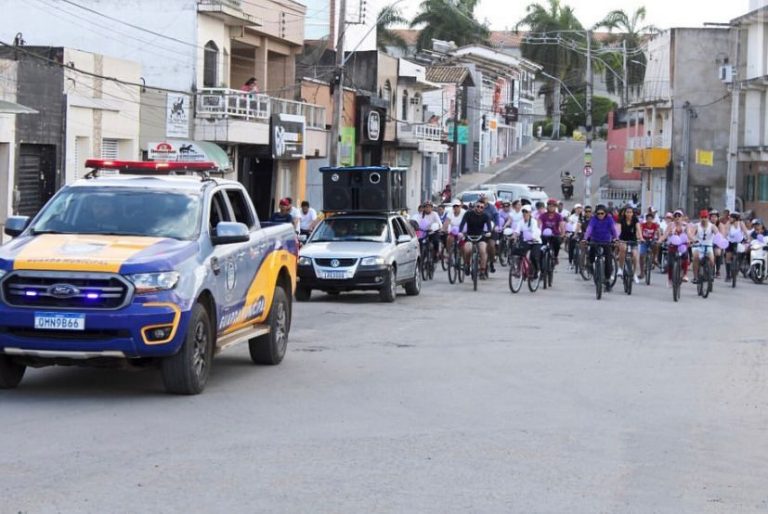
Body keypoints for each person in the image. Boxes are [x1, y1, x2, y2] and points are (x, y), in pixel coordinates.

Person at [583, 204, 618, 290]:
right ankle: (590, 265)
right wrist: (585, 239)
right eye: (598, 213)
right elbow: (589, 229)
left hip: (606, 241)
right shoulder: (593, 219)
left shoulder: (609, 219)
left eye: (602, 213)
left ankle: (607, 279)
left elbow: (614, 229)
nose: (600, 215)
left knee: (608, 261)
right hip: (595, 240)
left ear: (605, 213)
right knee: (591, 255)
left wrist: (616, 238)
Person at [459, 199, 493, 278]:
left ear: (483, 208)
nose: (479, 208)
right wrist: (460, 232)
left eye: (481, 207)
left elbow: (489, 227)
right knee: (467, 249)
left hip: (481, 237)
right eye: (478, 206)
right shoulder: (468, 214)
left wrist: (489, 232)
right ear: (474, 206)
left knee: (483, 250)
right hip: (469, 236)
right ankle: (467, 264)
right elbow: (462, 224)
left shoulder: (485, 216)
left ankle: (482, 270)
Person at [660, 209, 690, 284]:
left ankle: (685, 274)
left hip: (682, 245)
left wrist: (691, 240)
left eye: (679, 216)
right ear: (673, 217)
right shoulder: (670, 225)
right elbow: (665, 235)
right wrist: (659, 240)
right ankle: (670, 279)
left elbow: (689, 234)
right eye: (675, 216)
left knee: (685, 256)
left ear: (682, 217)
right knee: (670, 263)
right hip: (672, 245)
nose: (677, 217)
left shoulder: (685, 225)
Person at [689, 209, 717, 284]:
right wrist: (692, 239)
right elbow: (691, 234)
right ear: (700, 218)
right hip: (697, 245)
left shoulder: (712, 226)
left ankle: (711, 274)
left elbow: (717, 234)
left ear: (708, 218)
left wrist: (720, 240)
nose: (704, 219)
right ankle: (695, 277)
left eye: (705, 217)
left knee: (712, 260)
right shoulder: (696, 226)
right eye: (702, 217)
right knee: (695, 257)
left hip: (708, 246)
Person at [514, 205, 543, 278]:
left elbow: (534, 231)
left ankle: (537, 270)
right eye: (523, 212)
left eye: (526, 212)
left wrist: (532, 237)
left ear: (530, 213)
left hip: (535, 242)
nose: (524, 213)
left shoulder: (533, 222)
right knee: (519, 254)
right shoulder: (521, 222)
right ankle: (518, 270)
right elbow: (517, 231)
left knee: (533, 256)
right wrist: (514, 236)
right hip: (526, 241)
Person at [617, 204, 642, 283]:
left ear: (632, 213)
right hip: (623, 240)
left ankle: (634, 274)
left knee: (635, 255)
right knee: (623, 249)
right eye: (627, 212)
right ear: (625, 213)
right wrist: (617, 238)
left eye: (630, 212)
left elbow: (638, 229)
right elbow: (618, 230)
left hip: (633, 240)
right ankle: (620, 268)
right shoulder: (621, 219)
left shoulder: (635, 220)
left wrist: (641, 238)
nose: (629, 214)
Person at [721, 211, 748, 280]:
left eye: (731, 217)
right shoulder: (728, 224)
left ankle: (740, 265)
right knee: (728, 257)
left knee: (742, 252)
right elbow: (725, 232)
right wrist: (724, 239)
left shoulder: (741, 223)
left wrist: (748, 238)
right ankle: (728, 275)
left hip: (739, 242)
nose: (729, 218)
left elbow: (745, 231)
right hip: (730, 242)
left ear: (735, 218)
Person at [539, 198, 565, 264]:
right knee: (540, 249)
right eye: (549, 205)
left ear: (555, 207)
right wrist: (537, 233)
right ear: (547, 206)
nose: (551, 207)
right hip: (544, 235)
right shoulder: (543, 215)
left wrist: (562, 234)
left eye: (553, 206)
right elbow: (538, 225)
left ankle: (555, 256)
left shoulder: (558, 216)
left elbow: (562, 226)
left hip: (555, 235)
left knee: (557, 242)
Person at [478, 193, 499, 273]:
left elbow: (497, 217)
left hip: (491, 229)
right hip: (479, 230)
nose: (483, 201)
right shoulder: (476, 206)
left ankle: (491, 261)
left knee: (491, 245)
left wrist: (497, 226)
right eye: (481, 199)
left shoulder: (492, 208)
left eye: (485, 199)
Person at [639, 212, 660, 278]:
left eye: (651, 219)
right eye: (648, 219)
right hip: (644, 241)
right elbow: (639, 231)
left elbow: (658, 232)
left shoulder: (655, 225)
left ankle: (654, 258)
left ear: (653, 219)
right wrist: (640, 238)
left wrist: (659, 239)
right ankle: (642, 272)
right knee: (641, 255)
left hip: (652, 241)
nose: (649, 220)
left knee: (656, 245)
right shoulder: (643, 225)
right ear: (646, 219)